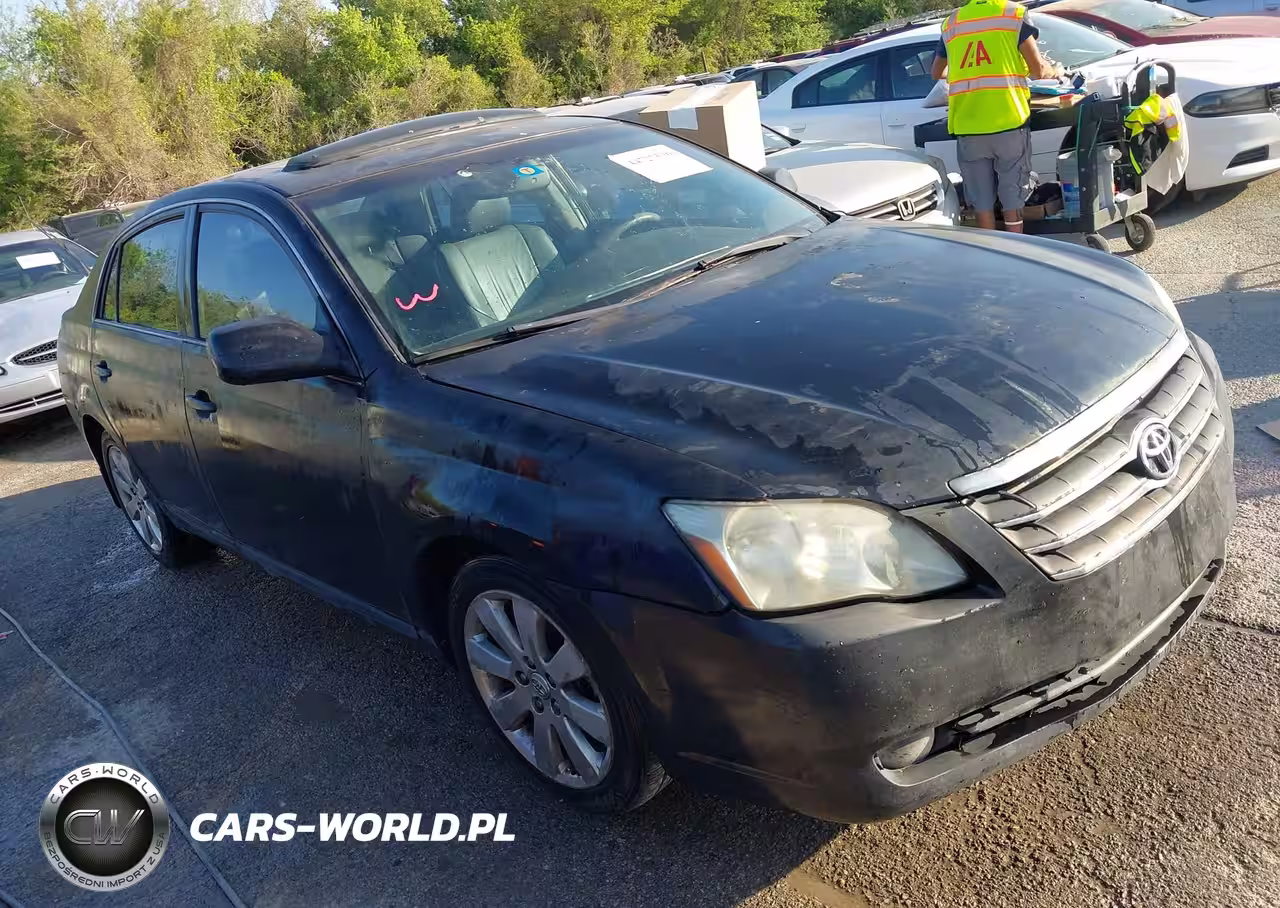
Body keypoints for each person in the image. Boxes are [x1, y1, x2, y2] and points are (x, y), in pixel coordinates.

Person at [930, 0, 1062, 233]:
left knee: (981, 198)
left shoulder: (952, 23)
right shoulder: (1012, 14)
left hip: (968, 124)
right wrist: (1055, 71)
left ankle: (995, 252)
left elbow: (936, 72)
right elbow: (1038, 70)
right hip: (1008, 120)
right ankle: (1017, 247)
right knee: (1012, 193)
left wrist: (966, 71)